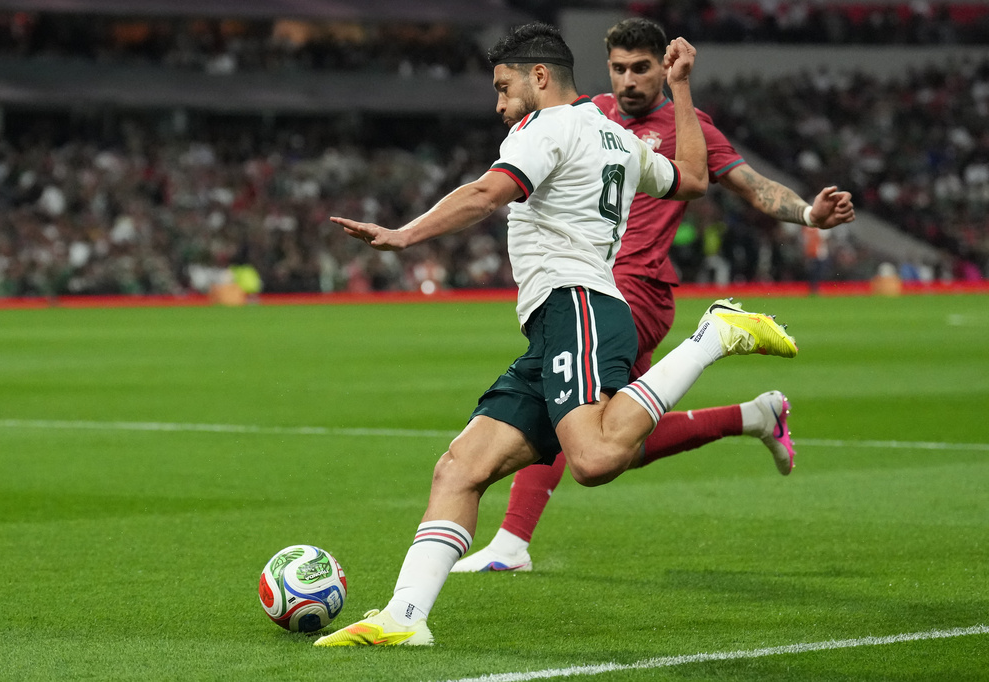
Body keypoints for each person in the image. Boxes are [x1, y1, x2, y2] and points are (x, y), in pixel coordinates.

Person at [314, 22, 797, 647]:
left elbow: (489, 193)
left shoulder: (549, 126)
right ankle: (404, 618)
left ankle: (714, 334)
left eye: (503, 86)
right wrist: (680, 91)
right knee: (459, 468)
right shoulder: (616, 139)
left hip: (582, 308)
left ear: (539, 77)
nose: (498, 103)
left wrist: (404, 235)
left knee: (594, 460)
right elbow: (694, 181)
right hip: (556, 324)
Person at [452, 17, 855, 574]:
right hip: (597, 284)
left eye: (641, 69)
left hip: (635, 288)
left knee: (562, 395)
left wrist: (810, 214)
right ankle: (755, 416)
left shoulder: (687, 126)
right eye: (618, 68)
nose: (627, 81)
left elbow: (753, 186)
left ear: (663, 71)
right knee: (619, 442)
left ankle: (511, 542)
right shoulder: (586, 115)